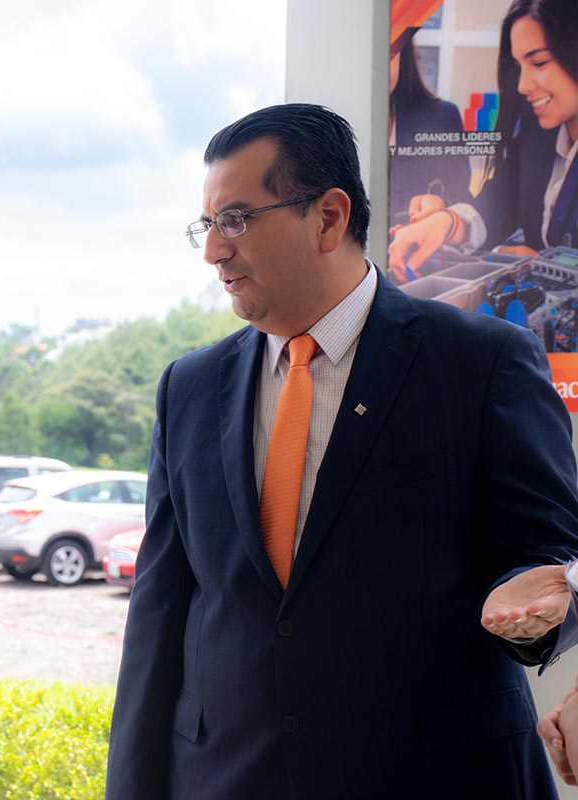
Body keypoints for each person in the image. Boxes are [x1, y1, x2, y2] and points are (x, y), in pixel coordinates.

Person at [105, 103, 578, 799]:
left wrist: (548, 597)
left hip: (435, 779)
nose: (213, 250)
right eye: (207, 225)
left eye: (236, 219)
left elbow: (547, 554)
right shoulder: (189, 388)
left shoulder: (482, 363)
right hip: (225, 778)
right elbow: (160, 612)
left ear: (328, 217)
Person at [389, 0, 578, 281]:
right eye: (518, 66)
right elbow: (495, 208)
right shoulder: (538, 135)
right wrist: (448, 222)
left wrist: (558, 272)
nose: (523, 85)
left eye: (539, 62)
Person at [388, 23, 472, 230]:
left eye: (388, 53)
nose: (374, 67)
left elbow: (462, 198)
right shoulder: (325, 126)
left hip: (416, 254)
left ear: (403, 54)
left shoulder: (442, 117)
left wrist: (441, 204)